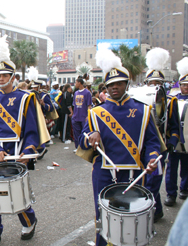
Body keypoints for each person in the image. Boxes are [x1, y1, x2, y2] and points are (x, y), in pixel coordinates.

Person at [79, 45, 160, 246]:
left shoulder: (143, 110)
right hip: (104, 172)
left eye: (119, 83)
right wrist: (90, 135)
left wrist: (152, 158)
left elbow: (152, 141)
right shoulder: (96, 112)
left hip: (133, 172)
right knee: (102, 215)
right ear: (105, 88)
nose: (114, 87)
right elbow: (81, 140)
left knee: (132, 217)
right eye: (110, 85)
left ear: (126, 84)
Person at [0, 32, 39, 245]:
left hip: (19, 153)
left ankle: (29, 221)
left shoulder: (26, 98)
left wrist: (28, 152)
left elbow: (32, 131)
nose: (1, 79)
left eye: (5, 76)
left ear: (13, 77)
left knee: (17, 193)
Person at [141, 48, 178, 222]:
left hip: (160, 146)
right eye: (151, 82)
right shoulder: (139, 100)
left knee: (154, 180)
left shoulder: (170, 102)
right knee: (144, 179)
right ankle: (157, 210)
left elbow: (175, 126)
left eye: (157, 82)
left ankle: (152, 212)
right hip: (142, 145)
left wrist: (172, 141)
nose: (154, 85)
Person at [164, 57, 188, 207]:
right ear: (180, 85)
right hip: (174, 138)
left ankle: (184, 188)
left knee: (186, 166)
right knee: (171, 168)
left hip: (187, 138)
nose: (186, 87)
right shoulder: (172, 99)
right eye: (184, 85)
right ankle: (170, 194)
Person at [31, 77, 54, 158]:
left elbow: (51, 107)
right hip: (33, 117)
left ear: (39, 87)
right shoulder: (31, 94)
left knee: (39, 134)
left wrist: (44, 104)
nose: (33, 88)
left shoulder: (44, 96)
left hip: (42, 117)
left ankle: (41, 149)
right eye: (33, 87)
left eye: (35, 87)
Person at [71, 78, 92, 151]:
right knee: (76, 133)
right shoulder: (76, 93)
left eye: (76, 82)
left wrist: (88, 115)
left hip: (83, 117)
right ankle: (77, 147)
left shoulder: (87, 93)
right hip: (76, 116)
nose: (75, 84)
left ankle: (85, 147)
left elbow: (89, 105)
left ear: (79, 83)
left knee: (84, 133)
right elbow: (74, 105)